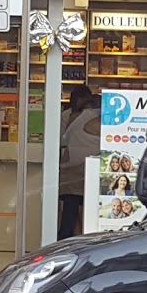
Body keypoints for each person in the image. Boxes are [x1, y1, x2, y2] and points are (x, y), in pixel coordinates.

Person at [58, 87, 100, 238]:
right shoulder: (96, 119)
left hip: (71, 169)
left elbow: (63, 139)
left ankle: (65, 239)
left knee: (70, 210)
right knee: (84, 210)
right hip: (84, 171)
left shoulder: (74, 117)